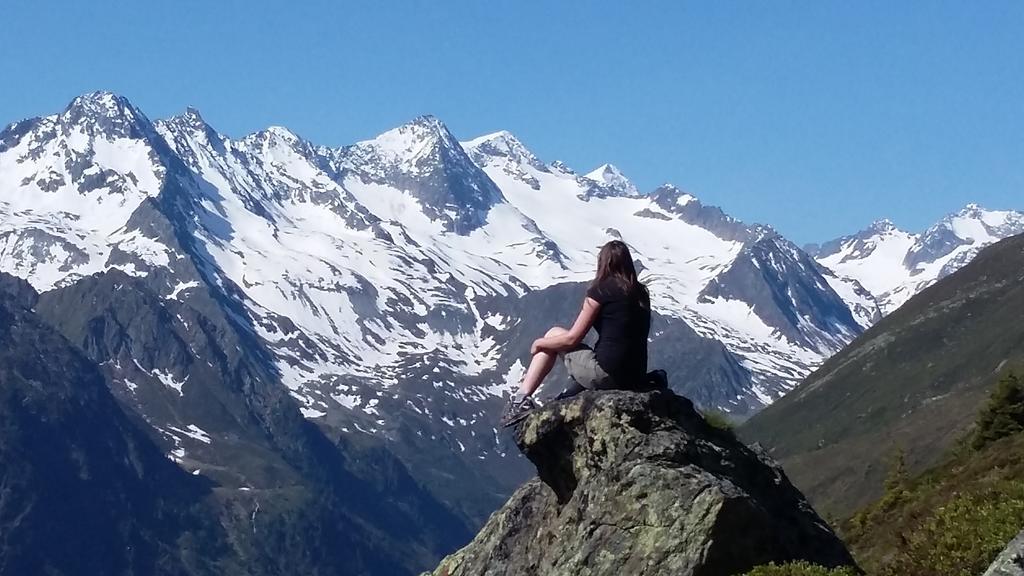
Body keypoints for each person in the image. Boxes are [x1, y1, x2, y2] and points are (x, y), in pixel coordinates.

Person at [501, 240, 651, 427]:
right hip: (635, 377)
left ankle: (520, 400)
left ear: (603, 263)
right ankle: (562, 398)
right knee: (594, 357)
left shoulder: (601, 290)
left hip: (607, 375)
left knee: (553, 334)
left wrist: (540, 343)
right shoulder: (641, 293)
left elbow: (572, 338)